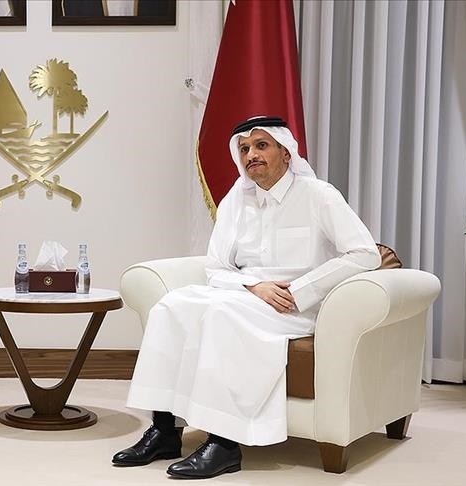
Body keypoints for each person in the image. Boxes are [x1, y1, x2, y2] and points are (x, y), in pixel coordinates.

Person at [111, 116, 381, 479]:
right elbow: (216, 267)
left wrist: (301, 291)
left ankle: (224, 444)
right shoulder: (235, 200)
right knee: (172, 306)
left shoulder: (319, 196)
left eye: (261, 145)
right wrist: (253, 286)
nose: (251, 154)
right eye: (244, 148)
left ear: (286, 153)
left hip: (294, 307)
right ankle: (164, 431)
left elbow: (365, 254)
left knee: (221, 315)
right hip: (246, 296)